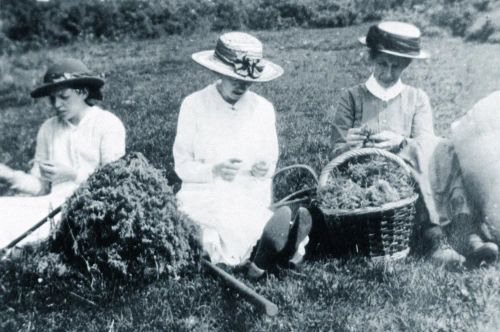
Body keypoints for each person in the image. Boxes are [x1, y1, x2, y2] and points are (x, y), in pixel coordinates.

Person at [173, 32, 312, 279]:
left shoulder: (262, 109)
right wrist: (213, 170)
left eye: (248, 80)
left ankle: (273, 250)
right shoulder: (194, 105)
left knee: (245, 215)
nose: (242, 85)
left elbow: (270, 158)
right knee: (214, 232)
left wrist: (263, 168)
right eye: (233, 78)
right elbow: (182, 166)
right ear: (217, 72)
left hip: (248, 194)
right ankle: (273, 253)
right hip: (205, 193)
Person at [330, 21, 468, 265]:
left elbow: (426, 148)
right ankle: (435, 238)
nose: (388, 73)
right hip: (366, 178)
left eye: (397, 67)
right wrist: (349, 146)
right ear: (372, 58)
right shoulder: (351, 98)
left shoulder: (416, 98)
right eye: (382, 64)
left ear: (406, 65)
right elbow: (335, 155)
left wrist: (401, 141)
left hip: (410, 176)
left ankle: (466, 232)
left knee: (442, 148)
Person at [0, 58, 126, 248]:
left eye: (64, 97)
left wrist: (72, 174)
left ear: (83, 92)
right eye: (52, 99)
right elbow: (41, 186)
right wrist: (9, 176)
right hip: (50, 206)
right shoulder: (48, 129)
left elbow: (115, 182)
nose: (57, 104)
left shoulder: (107, 124)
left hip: (93, 209)